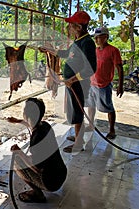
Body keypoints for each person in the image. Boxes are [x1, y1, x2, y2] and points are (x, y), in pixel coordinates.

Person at [40, 11, 97, 153]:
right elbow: (66, 54)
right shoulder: (78, 41)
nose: (69, 28)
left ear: (78, 27)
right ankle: (79, 137)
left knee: (78, 113)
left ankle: (78, 144)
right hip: (72, 84)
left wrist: (72, 79)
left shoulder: (87, 42)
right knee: (74, 111)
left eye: (71, 25)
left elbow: (91, 68)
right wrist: (50, 50)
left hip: (79, 84)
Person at [7, 98, 67, 203]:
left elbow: (36, 169)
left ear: (26, 115)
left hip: (51, 184)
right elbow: (32, 123)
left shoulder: (36, 138)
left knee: (17, 163)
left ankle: (38, 194)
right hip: (61, 175)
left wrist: (19, 152)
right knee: (34, 159)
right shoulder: (45, 125)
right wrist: (17, 121)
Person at [86, 27, 124, 139]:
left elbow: (120, 68)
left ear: (106, 37)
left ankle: (112, 130)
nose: (96, 40)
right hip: (92, 83)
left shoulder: (113, 50)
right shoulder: (95, 50)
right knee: (91, 105)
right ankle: (91, 125)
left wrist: (120, 86)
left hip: (104, 85)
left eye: (99, 37)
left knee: (109, 107)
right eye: (95, 38)